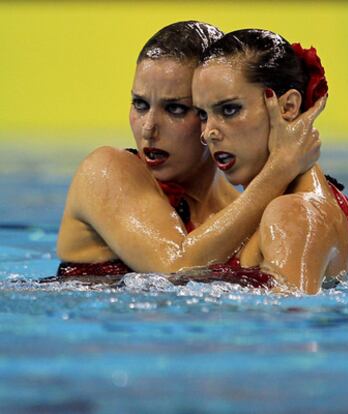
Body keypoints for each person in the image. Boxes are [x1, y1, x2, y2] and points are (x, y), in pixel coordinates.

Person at [56, 22, 322, 278]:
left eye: (175, 109)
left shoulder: (243, 209)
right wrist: (281, 168)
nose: (148, 128)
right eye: (139, 104)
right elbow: (175, 268)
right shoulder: (106, 171)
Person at [192, 29, 348, 294]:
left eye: (229, 109)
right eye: (203, 115)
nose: (209, 133)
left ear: (288, 107)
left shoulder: (292, 215)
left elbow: (285, 327)